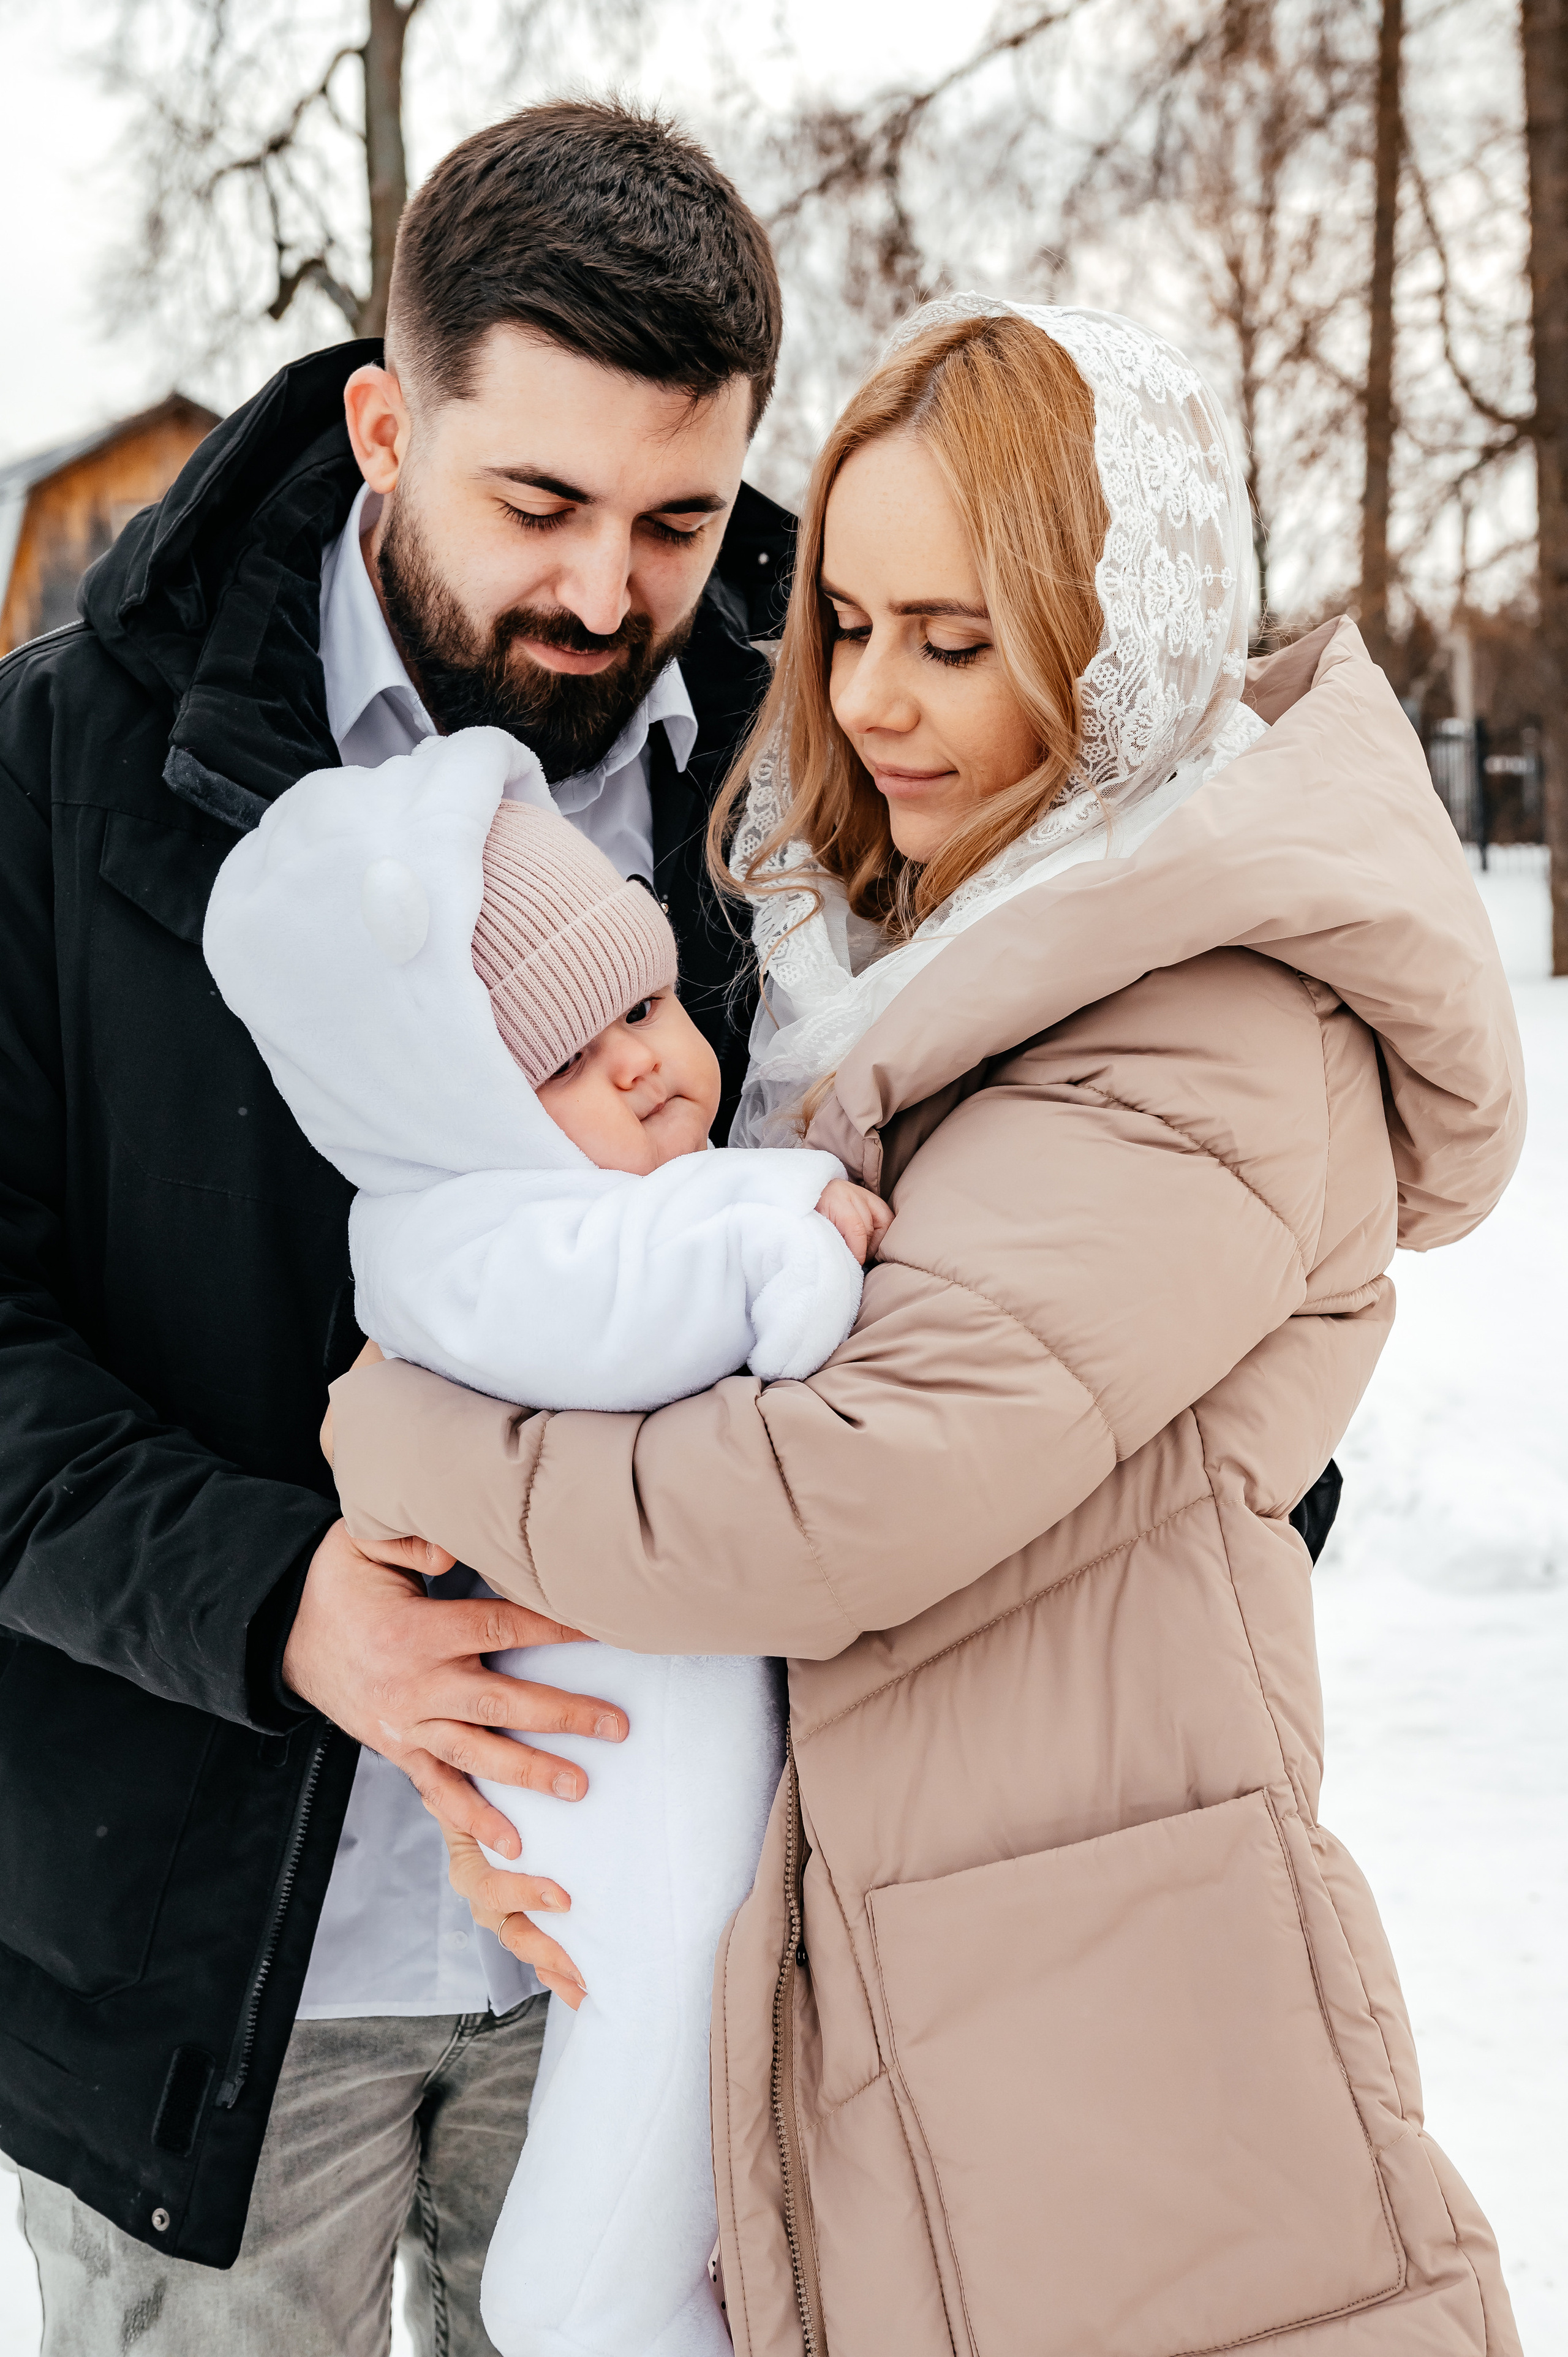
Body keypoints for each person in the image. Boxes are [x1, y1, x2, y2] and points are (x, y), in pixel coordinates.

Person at [330, 302, 1527, 2356]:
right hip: (929, 1974)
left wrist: (412, 1444)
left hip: (1107, 2034)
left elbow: (822, 1505)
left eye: (957, 642)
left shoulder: (1207, 1024)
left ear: (1112, 644)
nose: (876, 701)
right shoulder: (922, 978)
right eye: (854, 625)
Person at [0, 100, 793, 2357]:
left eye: (679, 517)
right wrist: (279, 1607)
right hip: (220, 2001)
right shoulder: (61, 777)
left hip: (654, 1974)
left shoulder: (809, 777)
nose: (606, 597)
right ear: (384, 420)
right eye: (534, 501)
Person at [201, 719, 889, 2355]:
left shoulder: (617, 1192)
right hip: (600, 1787)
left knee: (695, 2065)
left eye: (648, 1004)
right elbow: (630, 1320)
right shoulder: (457, 1237)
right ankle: (584, 2310)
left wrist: (742, 1199)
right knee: (651, 2058)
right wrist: (786, 1236)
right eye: (573, 1057)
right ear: (458, 1099)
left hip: (666, 1754)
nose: (650, 1059)